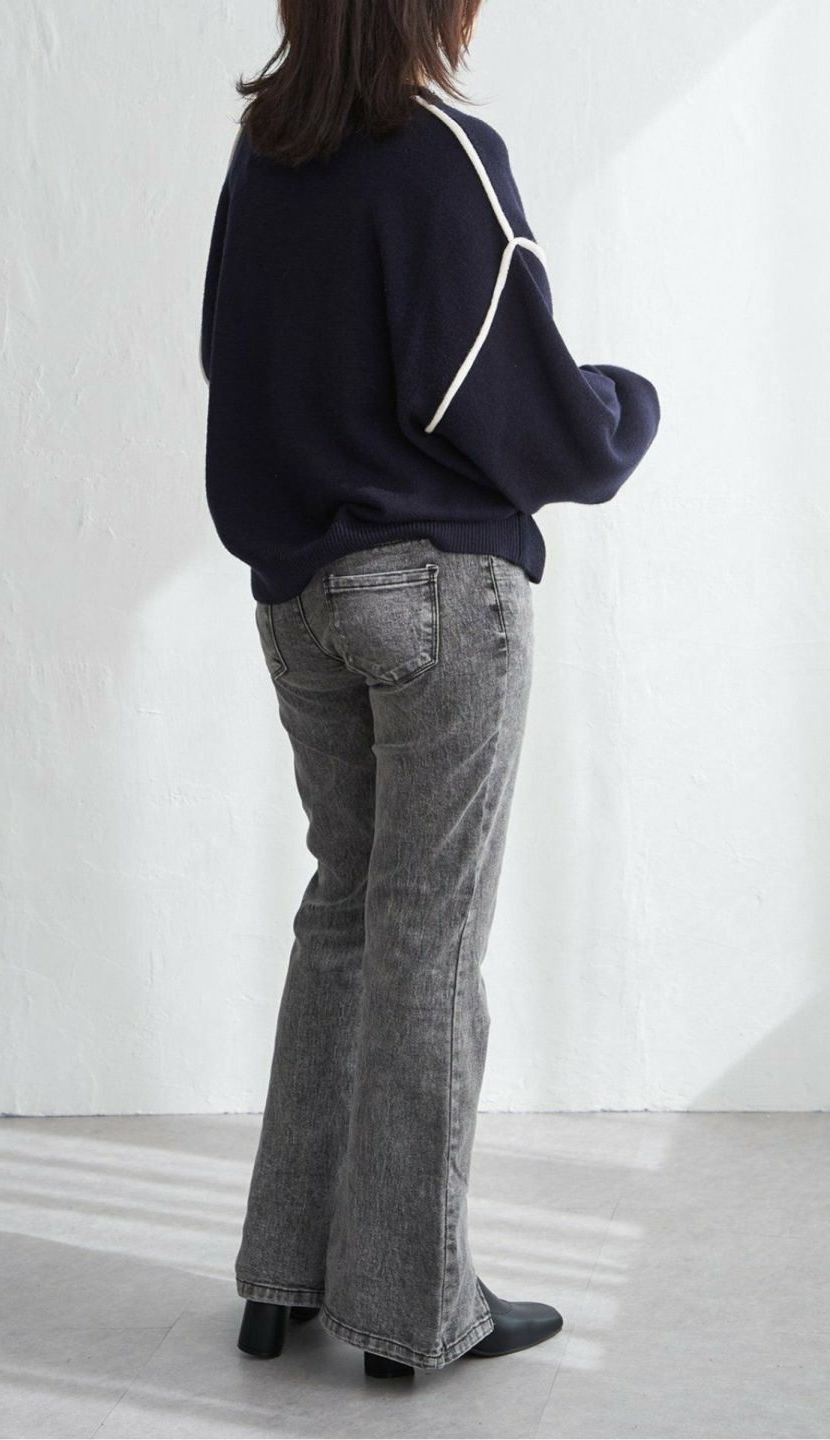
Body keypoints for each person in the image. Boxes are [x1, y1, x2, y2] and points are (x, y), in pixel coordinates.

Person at [199, 0, 661, 1381]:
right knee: (426, 941)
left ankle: (283, 1277)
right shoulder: (444, 153)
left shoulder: (265, 156)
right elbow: (512, 400)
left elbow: (234, 367)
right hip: (436, 595)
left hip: (299, 597)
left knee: (344, 912)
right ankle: (414, 1313)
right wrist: (624, 406)